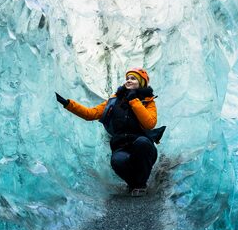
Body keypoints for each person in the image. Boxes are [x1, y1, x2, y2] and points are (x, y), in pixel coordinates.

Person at [56, 68, 166, 196]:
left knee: (142, 143)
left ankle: (141, 184)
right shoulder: (114, 101)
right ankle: (133, 184)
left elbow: (150, 123)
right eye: (128, 78)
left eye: (133, 78)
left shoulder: (148, 102)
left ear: (141, 83)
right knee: (117, 161)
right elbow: (90, 114)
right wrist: (67, 103)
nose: (129, 80)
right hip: (122, 146)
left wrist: (134, 100)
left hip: (142, 145)